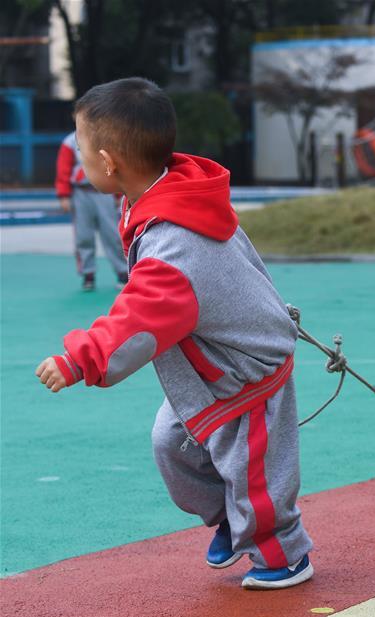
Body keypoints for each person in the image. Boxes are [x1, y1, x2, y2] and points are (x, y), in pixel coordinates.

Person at [34, 78, 314, 590]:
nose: (78, 159)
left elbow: (139, 317)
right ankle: (229, 518)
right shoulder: (165, 196)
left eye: (80, 149)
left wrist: (79, 360)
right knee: (171, 445)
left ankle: (284, 555)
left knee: (253, 475)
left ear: (109, 161)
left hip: (240, 372)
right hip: (207, 365)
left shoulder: (173, 243)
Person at [56, 130, 128, 290]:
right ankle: (88, 274)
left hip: (104, 193)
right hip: (81, 193)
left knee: (113, 234)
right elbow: (63, 169)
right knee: (83, 236)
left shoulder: (107, 137)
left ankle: (123, 273)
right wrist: (64, 195)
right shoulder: (69, 141)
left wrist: (117, 194)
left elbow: (115, 166)